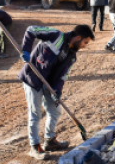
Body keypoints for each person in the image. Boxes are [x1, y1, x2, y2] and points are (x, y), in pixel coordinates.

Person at [17, 25, 95, 160]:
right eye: (85, 42)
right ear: (77, 37)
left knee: (55, 111)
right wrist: (26, 50)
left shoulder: (72, 57)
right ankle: (35, 147)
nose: (84, 46)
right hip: (33, 79)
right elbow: (31, 30)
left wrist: (57, 91)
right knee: (35, 114)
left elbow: (63, 76)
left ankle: (49, 141)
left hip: (49, 84)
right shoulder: (55, 35)